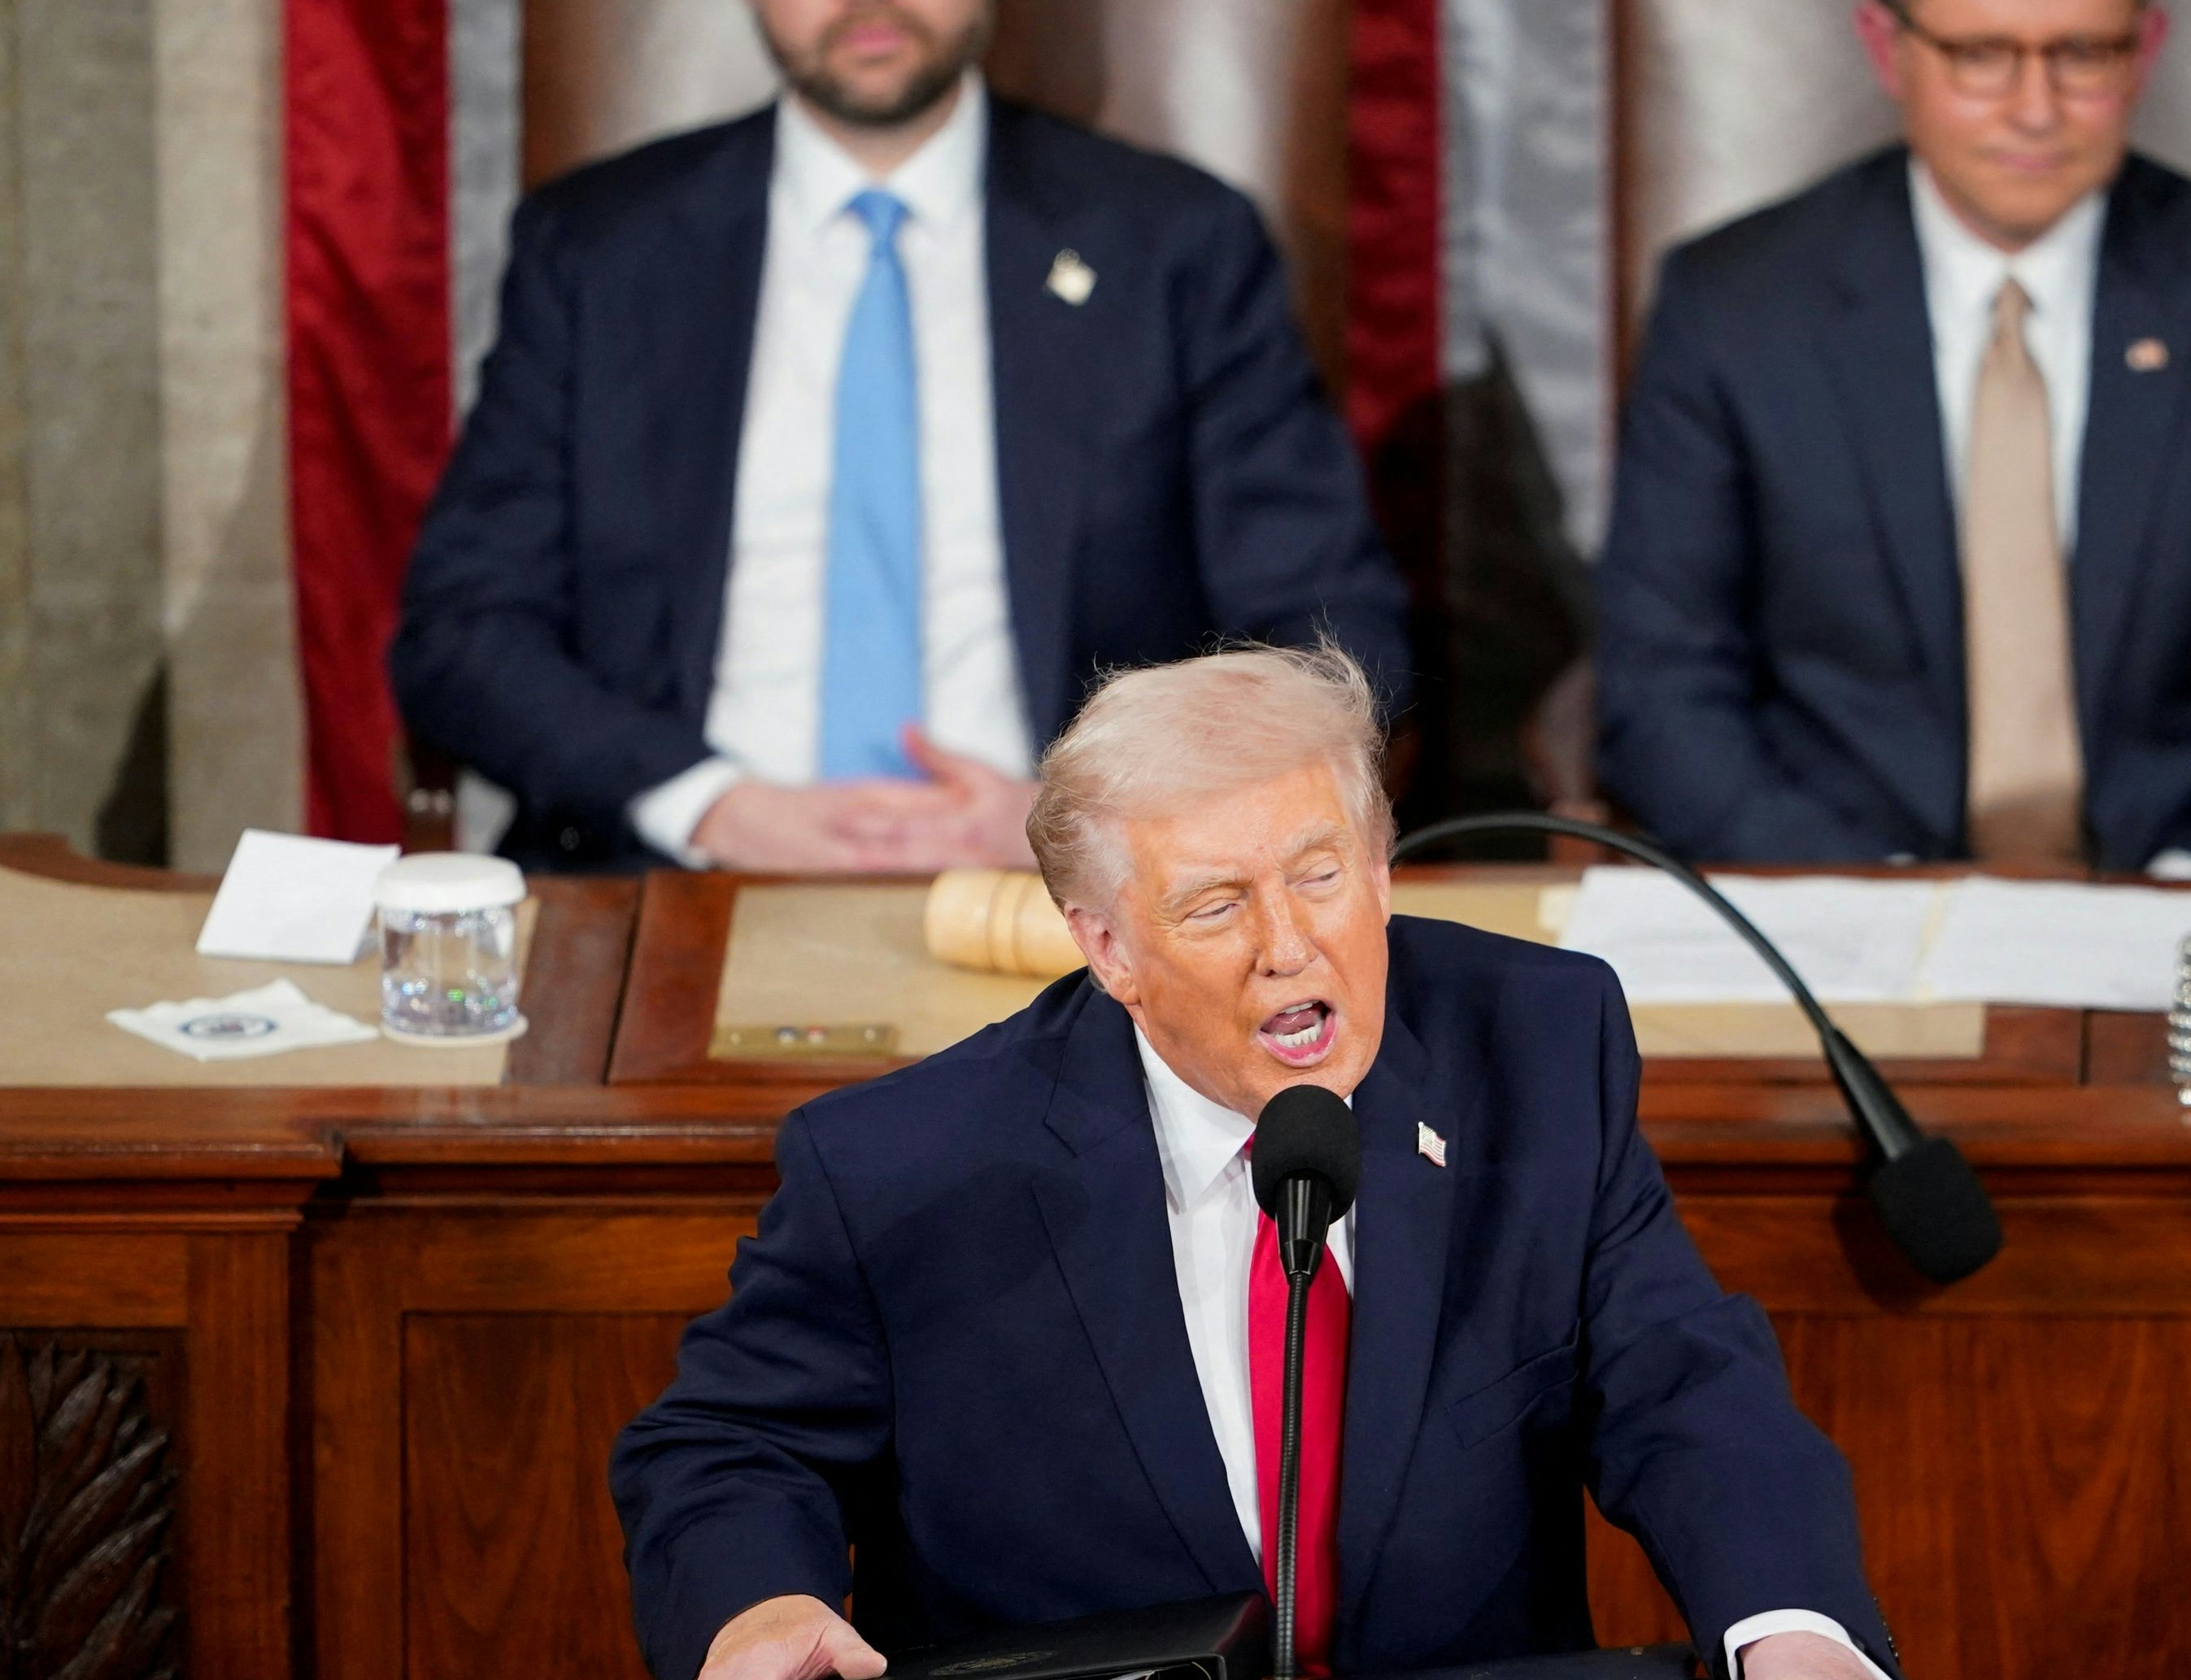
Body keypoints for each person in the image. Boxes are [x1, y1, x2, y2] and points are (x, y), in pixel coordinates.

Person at [610, 644, 1893, 1680]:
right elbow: (723, 1441)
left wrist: (1792, 1629)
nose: (1290, 946)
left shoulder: (1539, 1050)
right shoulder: (907, 1164)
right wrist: (755, 1610)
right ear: (1106, 946)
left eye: (1322, 875)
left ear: (1383, 869)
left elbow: (1684, 1384)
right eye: (1216, 904)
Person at [391, 0, 1409, 877]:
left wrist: (1092, 813)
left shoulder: (1175, 246)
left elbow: (1330, 635)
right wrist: (711, 806)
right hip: (678, 884)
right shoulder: (600, 252)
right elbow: (464, 632)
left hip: (1074, 899)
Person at [1594, 0, 2191, 874]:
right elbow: (1664, 692)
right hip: (1845, 913)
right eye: (1981, 55)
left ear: (2145, 50)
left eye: (2081, 53)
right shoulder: (1732, 307)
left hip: (2185, 903)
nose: (2034, 109)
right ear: (1887, 49)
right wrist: (1865, 896)